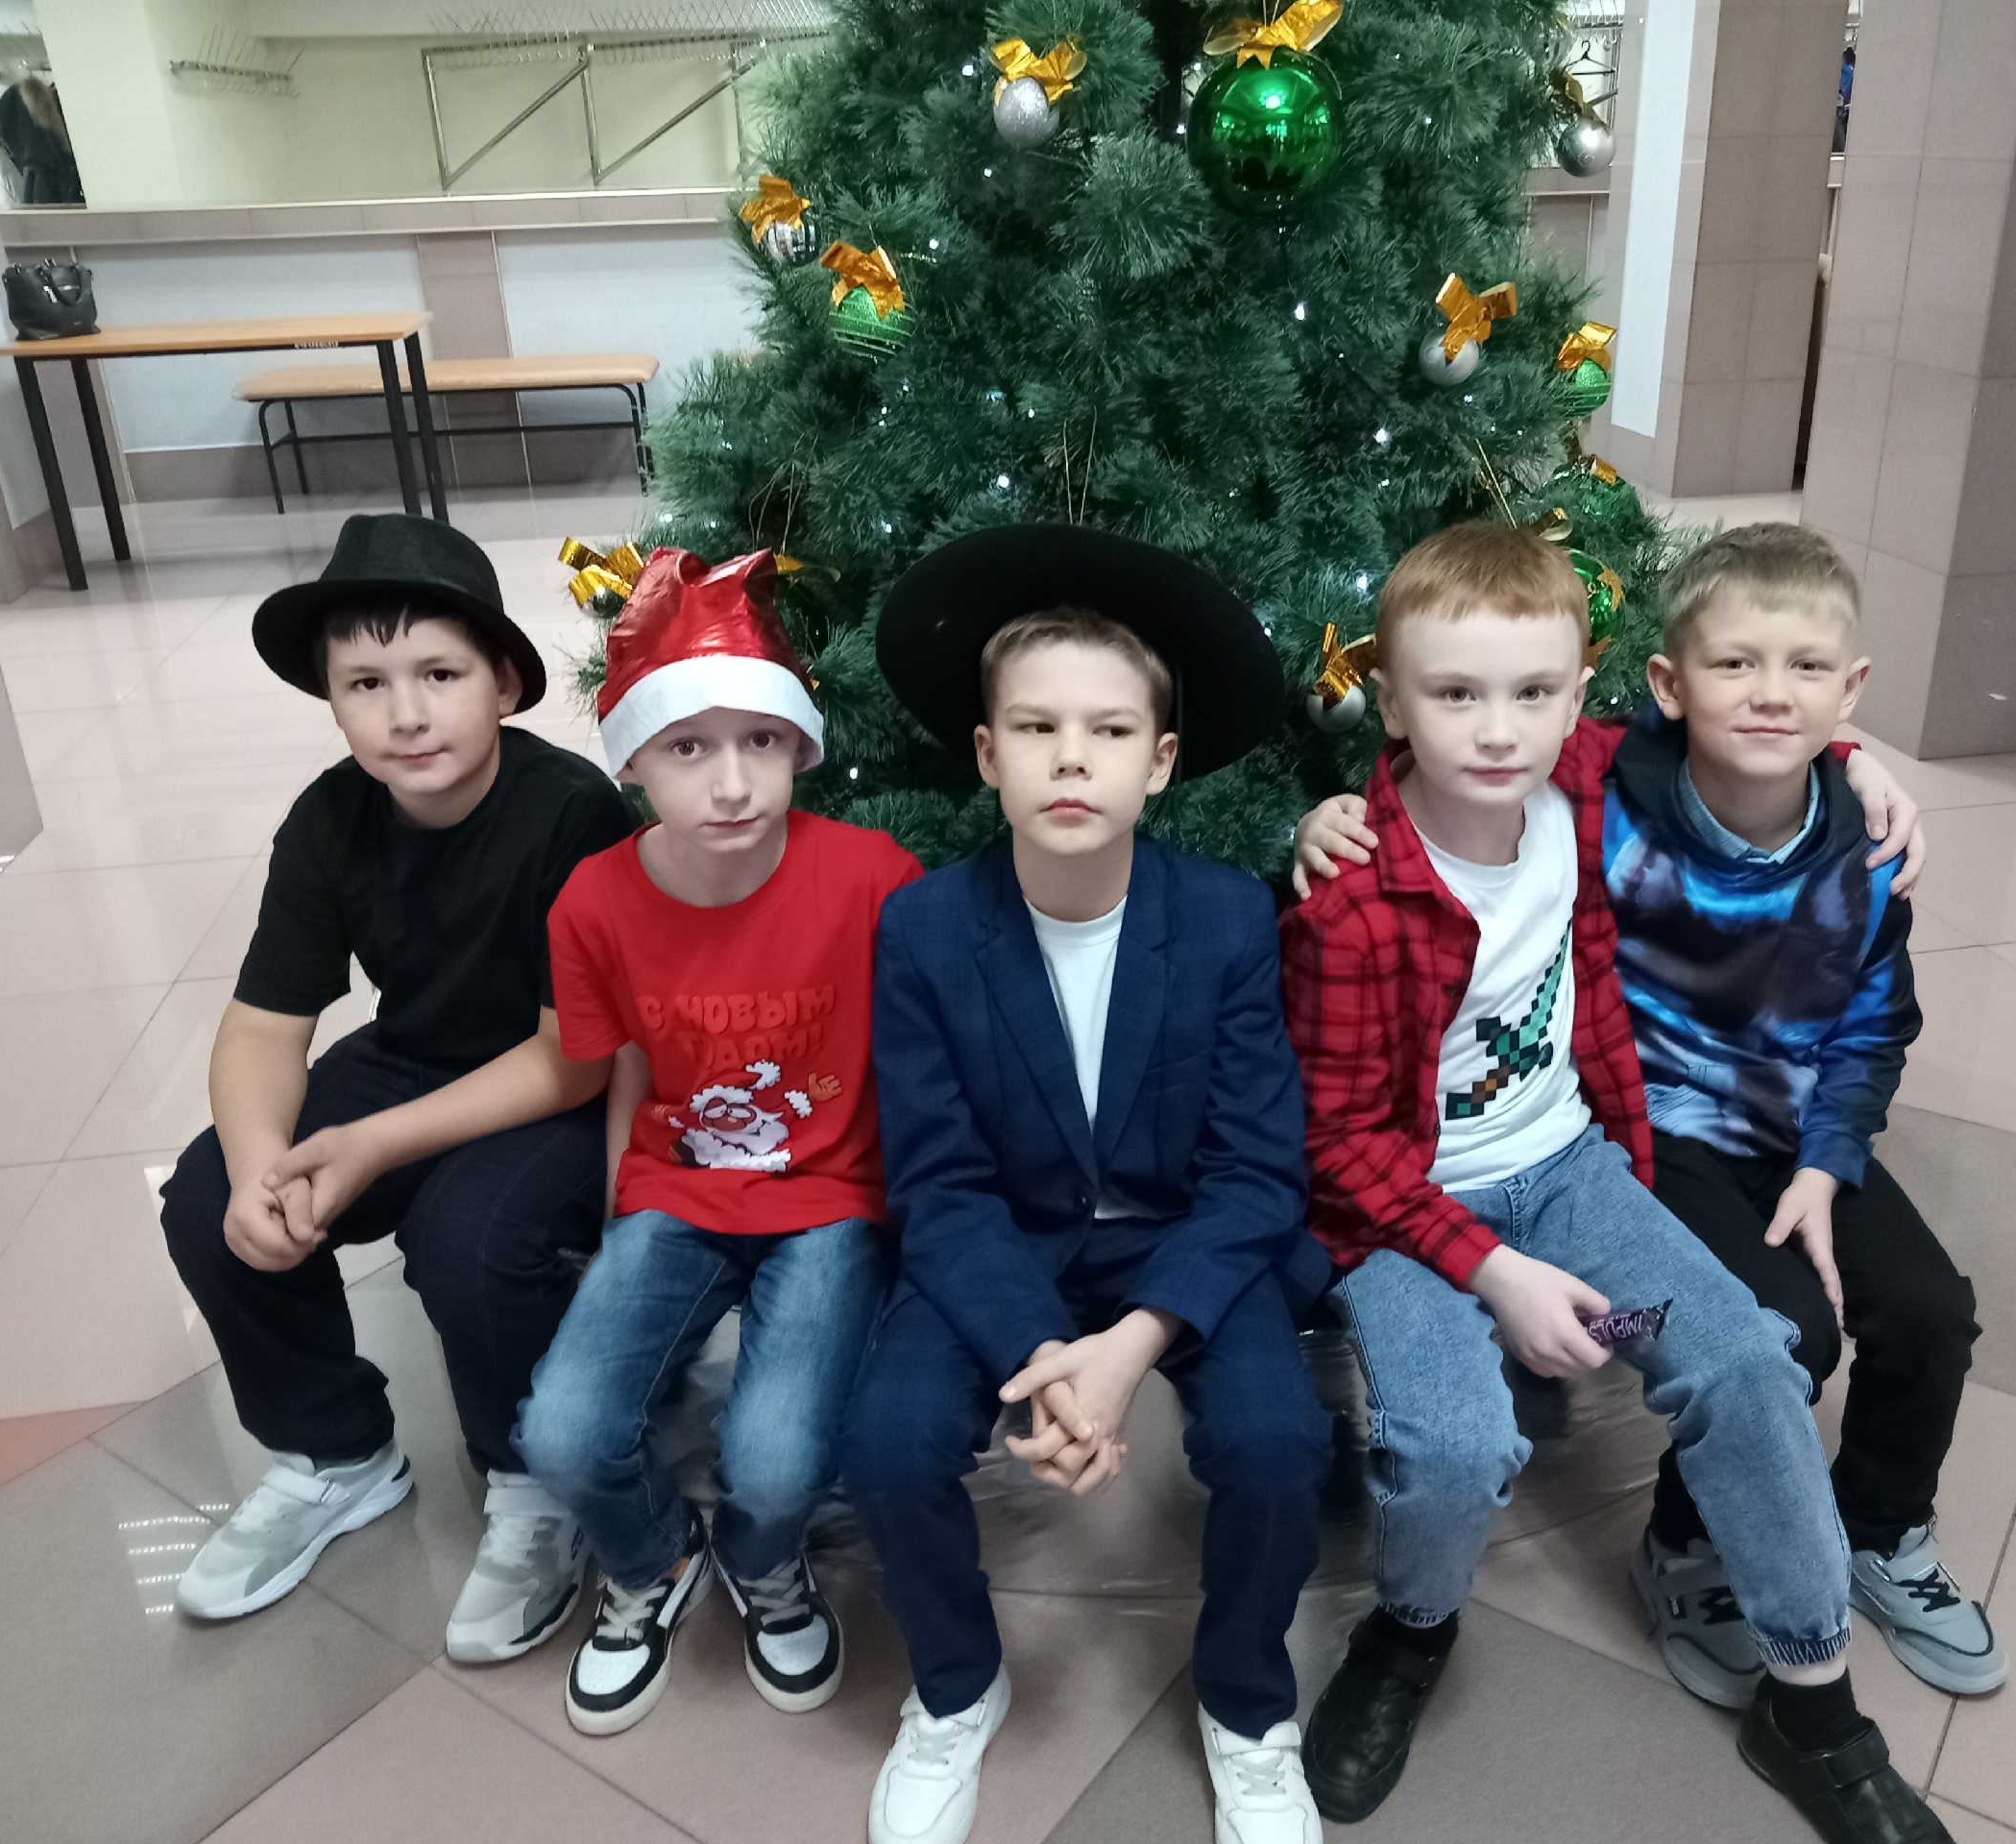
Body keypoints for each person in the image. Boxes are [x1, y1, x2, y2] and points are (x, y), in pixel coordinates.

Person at [1277, 522, 1954, 1844]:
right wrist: (1496, 1276)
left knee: (1746, 1361)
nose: (1498, 730)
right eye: (1455, 695)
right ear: (1391, 703)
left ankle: (1814, 1706)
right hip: (1406, 1217)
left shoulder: (1585, 782)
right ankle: (1409, 1636)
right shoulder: (1351, 899)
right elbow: (1336, 1143)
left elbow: (1743, 729)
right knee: (1459, 1444)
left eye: (1532, 692)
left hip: (1570, 1171)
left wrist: (1856, 762)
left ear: (1578, 696)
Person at [279, 546, 920, 1735]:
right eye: (687, 748)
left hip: (832, 1201)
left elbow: (922, 1052)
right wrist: (629, 1205)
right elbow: (619, 1055)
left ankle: (764, 1561)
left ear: (801, 744)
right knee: (561, 1433)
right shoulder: (594, 903)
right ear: (630, 760)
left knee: (778, 1460)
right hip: (676, 1197)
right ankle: (654, 1558)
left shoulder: (873, 876)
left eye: (761, 741)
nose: (731, 783)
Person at [841, 526, 1333, 1844]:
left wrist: (1128, 1349)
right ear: (986, 753)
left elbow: (1255, 1170)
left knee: (1278, 1442)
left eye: (1109, 731)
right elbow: (939, 1181)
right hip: (1000, 1245)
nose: (1071, 757)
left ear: (1158, 760)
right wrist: (1043, 1355)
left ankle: (1246, 1705)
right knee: (887, 1440)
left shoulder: (1226, 917)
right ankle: (956, 1686)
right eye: (1037, 728)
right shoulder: (924, 929)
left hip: (1182, 1248)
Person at [159, 514, 633, 1665]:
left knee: (471, 1238)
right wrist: (263, 1165)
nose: (405, 713)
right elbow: (263, 1025)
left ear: (504, 682)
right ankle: (336, 1453)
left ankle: (535, 1483)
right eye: (365, 683)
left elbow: (573, 1054)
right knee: (210, 1196)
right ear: (330, 699)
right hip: (414, 1055)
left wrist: (376, 1146)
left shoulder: (570, 812)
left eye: (439, 675)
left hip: (559, 1082)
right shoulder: (330, 817)